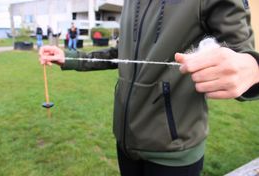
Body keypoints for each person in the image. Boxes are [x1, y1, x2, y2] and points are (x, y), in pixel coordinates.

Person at [39, 0, 259, 175]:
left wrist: (252, 68)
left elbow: (241, 54)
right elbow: (120, 54)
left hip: (173, 151)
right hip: (126, 139)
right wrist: (68, 58)